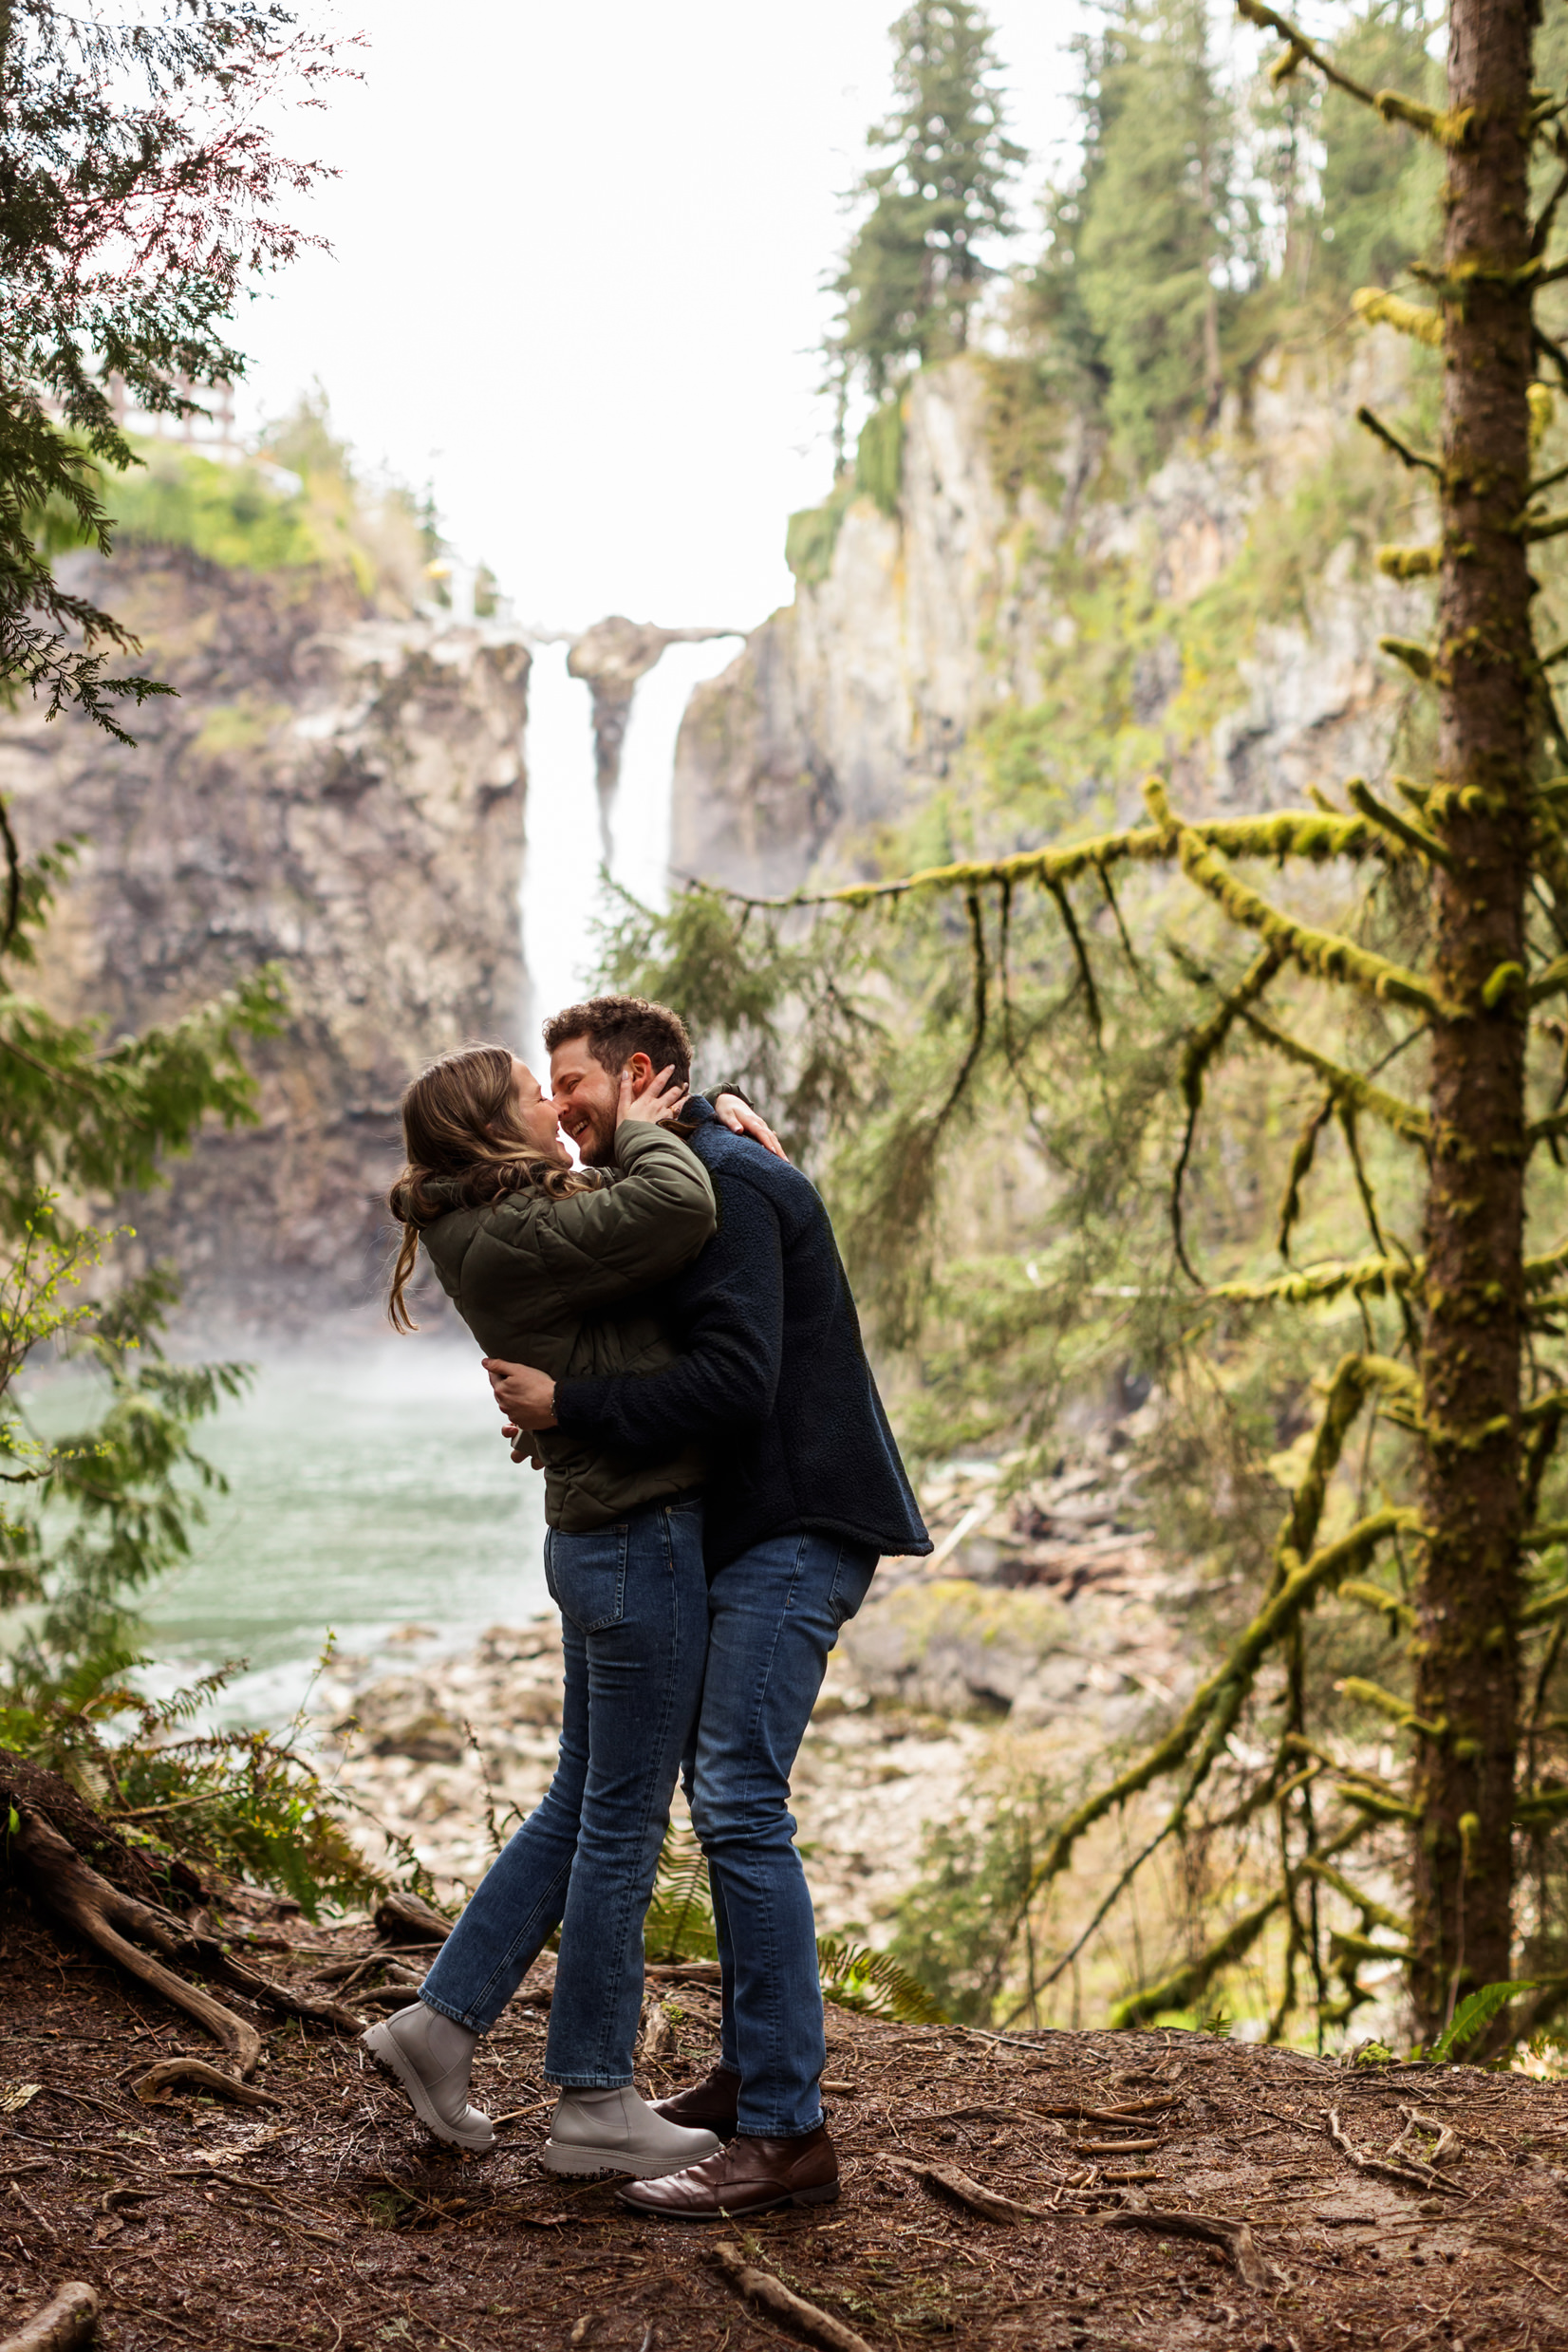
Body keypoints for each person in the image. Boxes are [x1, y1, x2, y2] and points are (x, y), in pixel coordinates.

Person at [485, 995, 931, 2218]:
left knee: (735, 1796)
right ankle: (748, 2082)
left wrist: (571, 1406)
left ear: (638, 1074)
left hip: (796, 1528)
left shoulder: (726, 1180)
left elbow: (734, 1382)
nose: (557, 1110)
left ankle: (787, 2135)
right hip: (763, 1529)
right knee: (724, 1792)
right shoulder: (704, 1173)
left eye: (572, 1083)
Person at [364, 1040, 730, 2180]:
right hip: (635, 1536)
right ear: (489, 1128)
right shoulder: (513, 1230)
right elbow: (677, 1207)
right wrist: (648, 1126)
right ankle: (593, 2100)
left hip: (600, 1533)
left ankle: (439, 2027)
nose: (553, 1105)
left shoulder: (496, 1222)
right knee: (622, 1821)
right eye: (535, 1094)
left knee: (584, 1800)